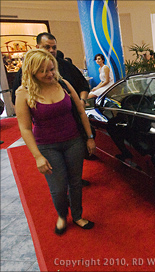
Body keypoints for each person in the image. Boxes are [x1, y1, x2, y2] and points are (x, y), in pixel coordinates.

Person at [15, 49, 95, 235]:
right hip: (47, 146)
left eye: (51, 69)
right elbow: (25, 128)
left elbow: (81, 111)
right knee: (58, 188)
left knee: (75, 183)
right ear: (32, 71)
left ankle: (77, 215)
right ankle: (61, 215)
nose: (50, 74)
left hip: (73, 141)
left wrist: (90, 138)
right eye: (44, 71)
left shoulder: (63, 84)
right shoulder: (24, 93)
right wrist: (37, 157)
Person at [11, 32, 90, 107]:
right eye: (47, 47)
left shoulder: (67, 66)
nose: (51, 50)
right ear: (38, 47)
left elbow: (83, 86)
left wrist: (82, 102)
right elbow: (16, 101)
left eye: (54, 47)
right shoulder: (26, 71)